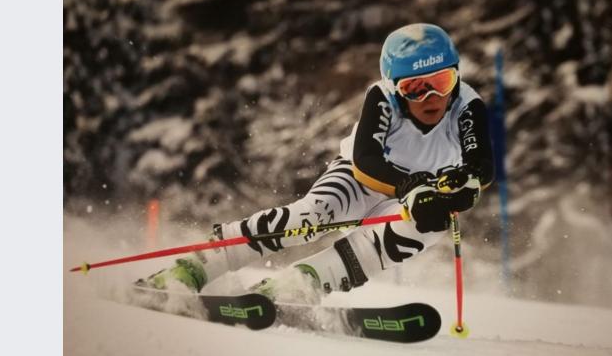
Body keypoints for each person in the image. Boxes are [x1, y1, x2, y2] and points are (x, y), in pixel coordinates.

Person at [137, 23, 494, 303]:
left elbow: (482, 166)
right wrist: (411, 185)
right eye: (415, 88)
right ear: (395, 88)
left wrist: (462, 189)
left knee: (427, 225)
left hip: (415, 192)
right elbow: (366, 160)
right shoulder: (381, 98)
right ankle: (195, 267)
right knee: (311, 218)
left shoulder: (465, 104)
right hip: (361, 176)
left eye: (442, 81)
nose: (432, 97)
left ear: (457, 76)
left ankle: (302, 282)